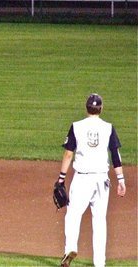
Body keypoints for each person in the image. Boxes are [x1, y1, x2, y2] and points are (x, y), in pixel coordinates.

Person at [57, 93, 126, 267]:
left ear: (86, 108)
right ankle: (99, 263)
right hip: (102, 180)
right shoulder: (108, 127)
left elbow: (68, 153)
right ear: (100, 109)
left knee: (73, 215)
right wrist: (121, 179)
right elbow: (115, 155)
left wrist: (61, 178)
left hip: (82, 180)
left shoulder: (76, 126)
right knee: (100, 220)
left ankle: (70, 248)